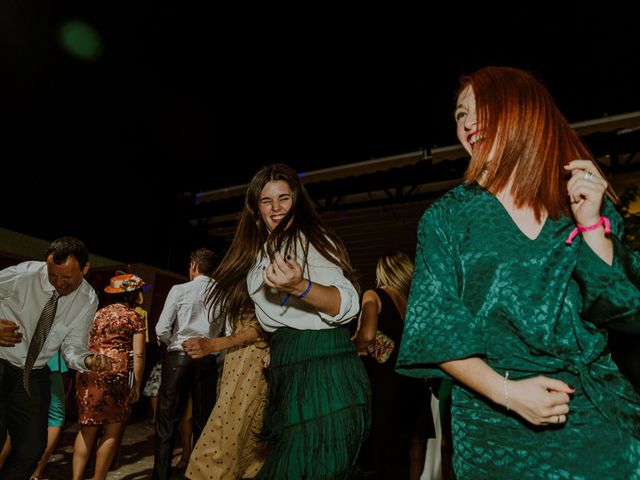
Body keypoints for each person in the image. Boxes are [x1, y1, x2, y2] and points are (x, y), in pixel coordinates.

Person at [395, 66, 640, 479]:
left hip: (594, 418)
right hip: (495, 430)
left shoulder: (574, 198)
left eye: (480, 109)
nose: (467, 123)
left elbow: (625, 312)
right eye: (459, 114)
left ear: (521, 111)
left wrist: (593, 227)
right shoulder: (447, 218)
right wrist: (508, 394)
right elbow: (434, 328)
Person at [206, 163, 370, 479]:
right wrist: (277, 346)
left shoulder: (309, 238)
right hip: (291, 367)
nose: (276, 207)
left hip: (322, 369)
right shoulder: (266, 250)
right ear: (256, 209)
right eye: (267, 201)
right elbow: (279, 318)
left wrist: (301, 287)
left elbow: (346, 302)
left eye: (284, 197)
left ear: (298, 200)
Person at [0, 236, 112, 479]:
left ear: (85, 268)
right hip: (0, 360)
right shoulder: (23, 276)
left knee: (32, 449)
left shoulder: (87, 298)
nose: (59, 283)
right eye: (53, 276)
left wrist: (88, 360)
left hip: (33, 372)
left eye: (67, 278)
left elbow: (73, 346)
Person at [352, 251, 432, 480]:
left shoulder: (372, 295)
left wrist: (342, 347)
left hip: (384, 390)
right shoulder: (413, 306)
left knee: (376, 460)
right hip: (414, 388)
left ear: (381, 272)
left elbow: (367, 335)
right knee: (406, 458)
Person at [152, 248, 223, 480]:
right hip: (207, 358)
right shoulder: (223, 293)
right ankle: (198, 474)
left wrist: (173, 344)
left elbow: (162, 328)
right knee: (203, 421)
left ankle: (160, 475)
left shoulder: (180, 289)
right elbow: (228, 332)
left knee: (167, 420)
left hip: (179, 357)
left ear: (193, 265)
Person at [71, 273, 146, 480]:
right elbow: (138, 353)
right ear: (133, 293)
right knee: (112, 431)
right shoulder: (135, 317)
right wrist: (137, 383)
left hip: (89, 370)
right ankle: (98, 477)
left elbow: (84, 343)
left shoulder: (97, 314)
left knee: (86, 431)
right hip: (116, 374)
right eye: (140, 290)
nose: (142, 294)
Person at [183, 311, 269, 480]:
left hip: (252, 359)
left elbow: (264, 325)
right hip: (237, 357)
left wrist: (213, 344)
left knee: (227, 444)